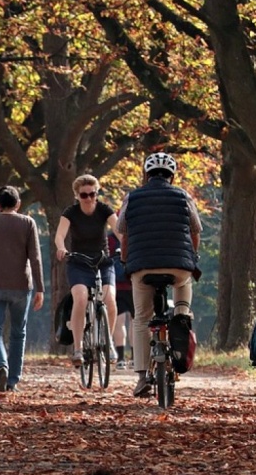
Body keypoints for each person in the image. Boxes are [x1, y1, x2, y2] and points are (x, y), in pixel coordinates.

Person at [116, 152, 202, 398]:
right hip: (178, 266)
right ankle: (181, 321)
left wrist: (125, 260)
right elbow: (195, 231)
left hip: (143, 266)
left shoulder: (131, 198)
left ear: (146, 174)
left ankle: (142, 377)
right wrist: (191, 256)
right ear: (172, 176)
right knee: (183, 295)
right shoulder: (184, 196)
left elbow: (123, 233)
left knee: (141, 318)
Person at [0, 186, 45, 393]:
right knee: (18, 333)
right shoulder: (28, 223)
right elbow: (35, 258)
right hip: (20, 285)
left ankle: (1, 365)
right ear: (18, 204)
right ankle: (12, 380)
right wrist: (40, 288)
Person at [55, 174, 120, 368]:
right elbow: (60, 235)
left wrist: (126, 246)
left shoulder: (104, 210)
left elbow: (119, 230)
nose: (89, 199)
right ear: (77, 196)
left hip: (103, 261)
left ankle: (108, 342)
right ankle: (78, 348)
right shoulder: (71, 212)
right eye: (84, 195)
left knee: (110, 300)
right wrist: (61, 248)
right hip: (79, 262)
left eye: (93, 194)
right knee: (81, 298)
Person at [107, 234, 134, 370]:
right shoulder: (134, 234)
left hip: (116, 286)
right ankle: (135, 357)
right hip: (134, 284)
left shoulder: (110, 239)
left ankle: (121, 358)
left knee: (119, 322)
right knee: (136, 322)